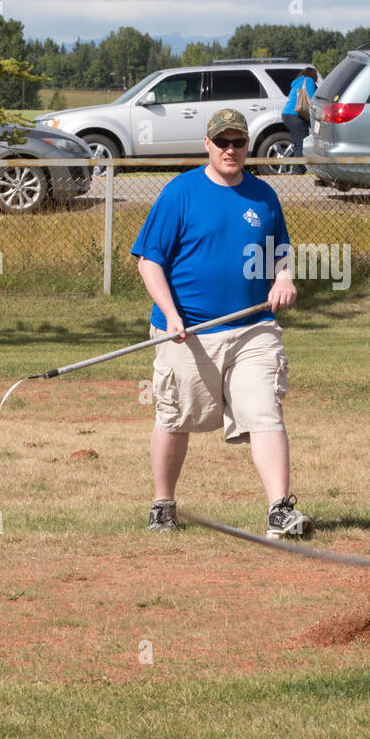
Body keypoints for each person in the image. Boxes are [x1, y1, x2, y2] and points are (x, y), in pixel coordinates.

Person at [131, 107, 312, 539]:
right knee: (176, 417)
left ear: (248, 145)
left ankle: (279, 511)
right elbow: (149, 262)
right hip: (187, 331)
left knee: (265, 407)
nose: (231, 150)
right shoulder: (180, 193)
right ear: (207, 144)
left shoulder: (263, 196)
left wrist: (283, 276)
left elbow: (279, 250)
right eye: (222, 142)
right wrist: (172, 314)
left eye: (239, 143)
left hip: (253, 327)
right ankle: (163, 504)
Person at [280, 66, 317, 174]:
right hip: (296, 115)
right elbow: (312, 99)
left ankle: (298, 169)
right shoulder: (309, 81)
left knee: (298, 144)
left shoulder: (296, 83)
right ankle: (297, 172)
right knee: (301, 145)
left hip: (287, 114)